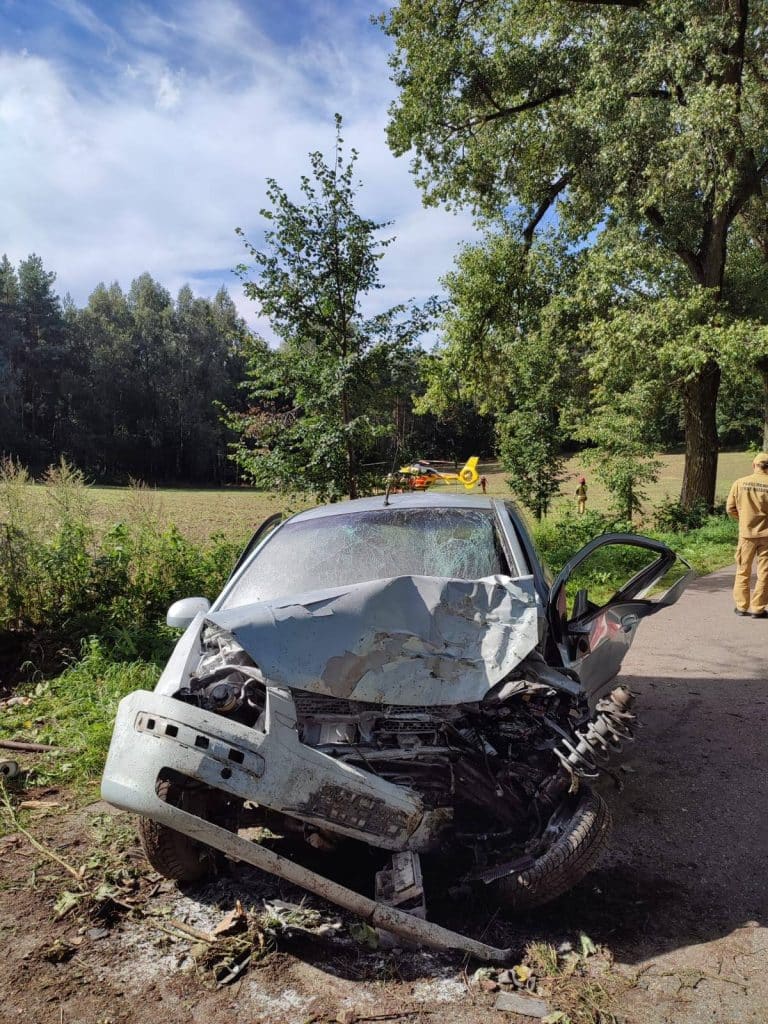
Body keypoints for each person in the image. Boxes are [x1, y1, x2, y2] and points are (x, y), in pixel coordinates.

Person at [726, 452, 768, 618]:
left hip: (746, 535)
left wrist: (743, 519)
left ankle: (742, 607)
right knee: (765, 573)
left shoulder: (740, 483)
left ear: (754, 465)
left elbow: (730, 508)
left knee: (743, 570)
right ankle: (758, 608)